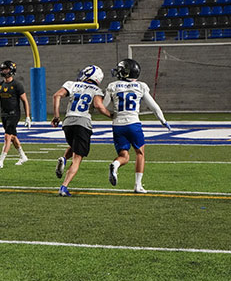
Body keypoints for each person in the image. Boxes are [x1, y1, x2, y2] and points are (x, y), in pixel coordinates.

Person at [103, 58, 172, 193]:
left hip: (117, 125)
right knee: (140, 153)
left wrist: (110, 114)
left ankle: (115, 164)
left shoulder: (113, 86)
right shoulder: (141, 86)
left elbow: (102, 106)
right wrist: (163, 121)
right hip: (133, 123)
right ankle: (137, 185)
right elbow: (154, 107)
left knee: (124, 155)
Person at [51, 65, 111, 197]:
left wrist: (56, 116)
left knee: (73, 146)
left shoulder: (72, 84)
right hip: (83, 122)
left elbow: (56, 96)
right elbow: (99, 106)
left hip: (67, 122)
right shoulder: (97, 90)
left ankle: (64, 158)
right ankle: (64, 187)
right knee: (77, 158)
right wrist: (112, 115)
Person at [0, 60, 31, 168]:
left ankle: (1, 161)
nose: (4, 71)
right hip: (4, 114)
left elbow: (25, 101)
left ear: (12, 70)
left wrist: (27, 116)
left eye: (6, 69)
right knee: (13, 137)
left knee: (7, 136)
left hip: (14, 114)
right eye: (3, 69)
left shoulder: (17, 84)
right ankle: (23, 156)